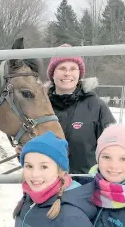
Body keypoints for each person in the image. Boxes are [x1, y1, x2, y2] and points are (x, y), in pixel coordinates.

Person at [45, 43, 116, 174]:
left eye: (73, 68)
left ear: (79, 74)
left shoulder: (96, 106)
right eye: (62, 68)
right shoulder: (41, 106)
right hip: (47, 184)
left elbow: (114, 145)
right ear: (52, 74)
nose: (67, 73)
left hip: (85, 185)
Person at [13, 131, 97, 227]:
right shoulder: (30, 198)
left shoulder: (71, 217)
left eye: (44, 167)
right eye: (29, 166)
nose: (34, 174)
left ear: (60, 171)